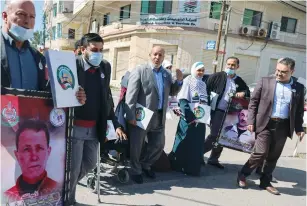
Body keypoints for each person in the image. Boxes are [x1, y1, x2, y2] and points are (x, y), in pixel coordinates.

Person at [69, 33, 127, 205]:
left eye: (101, 50)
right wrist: (73, 95)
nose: (98, 54)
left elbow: (106, 97)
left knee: (89, 163)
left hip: (95, 127)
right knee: (73, 170)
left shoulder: (105, 67)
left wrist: (115, 123)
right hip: (75, 127)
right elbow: (58, 91)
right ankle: (68, 199)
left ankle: (63, 188)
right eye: (94, 50)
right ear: (82, 49)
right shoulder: (73, 65)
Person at [237, 57, 305, 195]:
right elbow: (253, 102)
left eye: (283, 72)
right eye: (277, 70)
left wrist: (299, 128)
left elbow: (298, 110)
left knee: (273, 156)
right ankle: (243, 174)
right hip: (265, 123)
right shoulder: (265, 81)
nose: (279, 74)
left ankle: (265, 181)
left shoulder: (299, 87)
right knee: (260, 152)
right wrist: (250, 121)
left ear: (292, 71)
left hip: (284, 125)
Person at [1, 0, 85, 104]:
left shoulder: (38, 58)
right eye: (21, 14)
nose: (27, 21)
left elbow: (49, 90)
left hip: (31, 119)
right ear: (5, 16)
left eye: (32, 17)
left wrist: (73, 93)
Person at [125, 46, 183, 184]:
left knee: (159, 144)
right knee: (137, 145)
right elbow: (131, 95)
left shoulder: (166, 74)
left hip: (159, 115)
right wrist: (131, 115)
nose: (157, 57)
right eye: (155, 54)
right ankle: (135, 169)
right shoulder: (140, 70)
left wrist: (179, 81)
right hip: (142, 114)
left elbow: (172, 92)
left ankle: (145, 164)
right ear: (150, 55)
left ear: (164, 58)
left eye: (160, 55)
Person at [204, 56, 250, 169]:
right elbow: (205, 89)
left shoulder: (239, 81)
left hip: (230, 113)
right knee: (214, 135)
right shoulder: (217, 76)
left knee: (223, 136)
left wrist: (243, 93)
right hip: (216, 111)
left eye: (233, 65)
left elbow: (247, 92)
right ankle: (197, 154)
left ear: (237, 67)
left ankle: (213, 159)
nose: (230, 67)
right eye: (228, 64)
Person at [168, 62, 209, 176]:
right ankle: (178, 165)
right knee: (184, 141)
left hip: (200, 119)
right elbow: (183, 100)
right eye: (198, 70)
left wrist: (204, 116)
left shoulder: (202, 84)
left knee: (197, 143)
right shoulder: (187, 81)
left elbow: (204, 101)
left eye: (202, 70)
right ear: (193, 70)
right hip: (189, 119)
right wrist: (189, 117)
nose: (200, 73)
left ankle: (193, 166)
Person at [4, 120, 59, 201]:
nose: (34, 157)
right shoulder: (8, 197)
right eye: (27, 149)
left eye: (39, 148)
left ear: (48, 152)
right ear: (17, 155)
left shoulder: (58, 190)